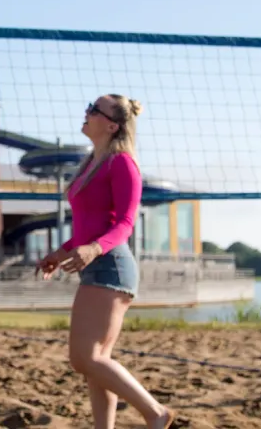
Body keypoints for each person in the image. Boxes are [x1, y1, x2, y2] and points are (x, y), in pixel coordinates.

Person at [38, 95, 176, 429]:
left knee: (84, 358)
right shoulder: (91, 163)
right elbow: (91, 223)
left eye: (93, 110)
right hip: (96, 263)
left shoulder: (123, 163)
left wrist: (93, 249)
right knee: (96, 362)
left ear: (112, 125)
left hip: (111, 266)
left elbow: (124, 224)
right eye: (88, 106)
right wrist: (61, 253)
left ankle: (156, 412)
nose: (85, 113)